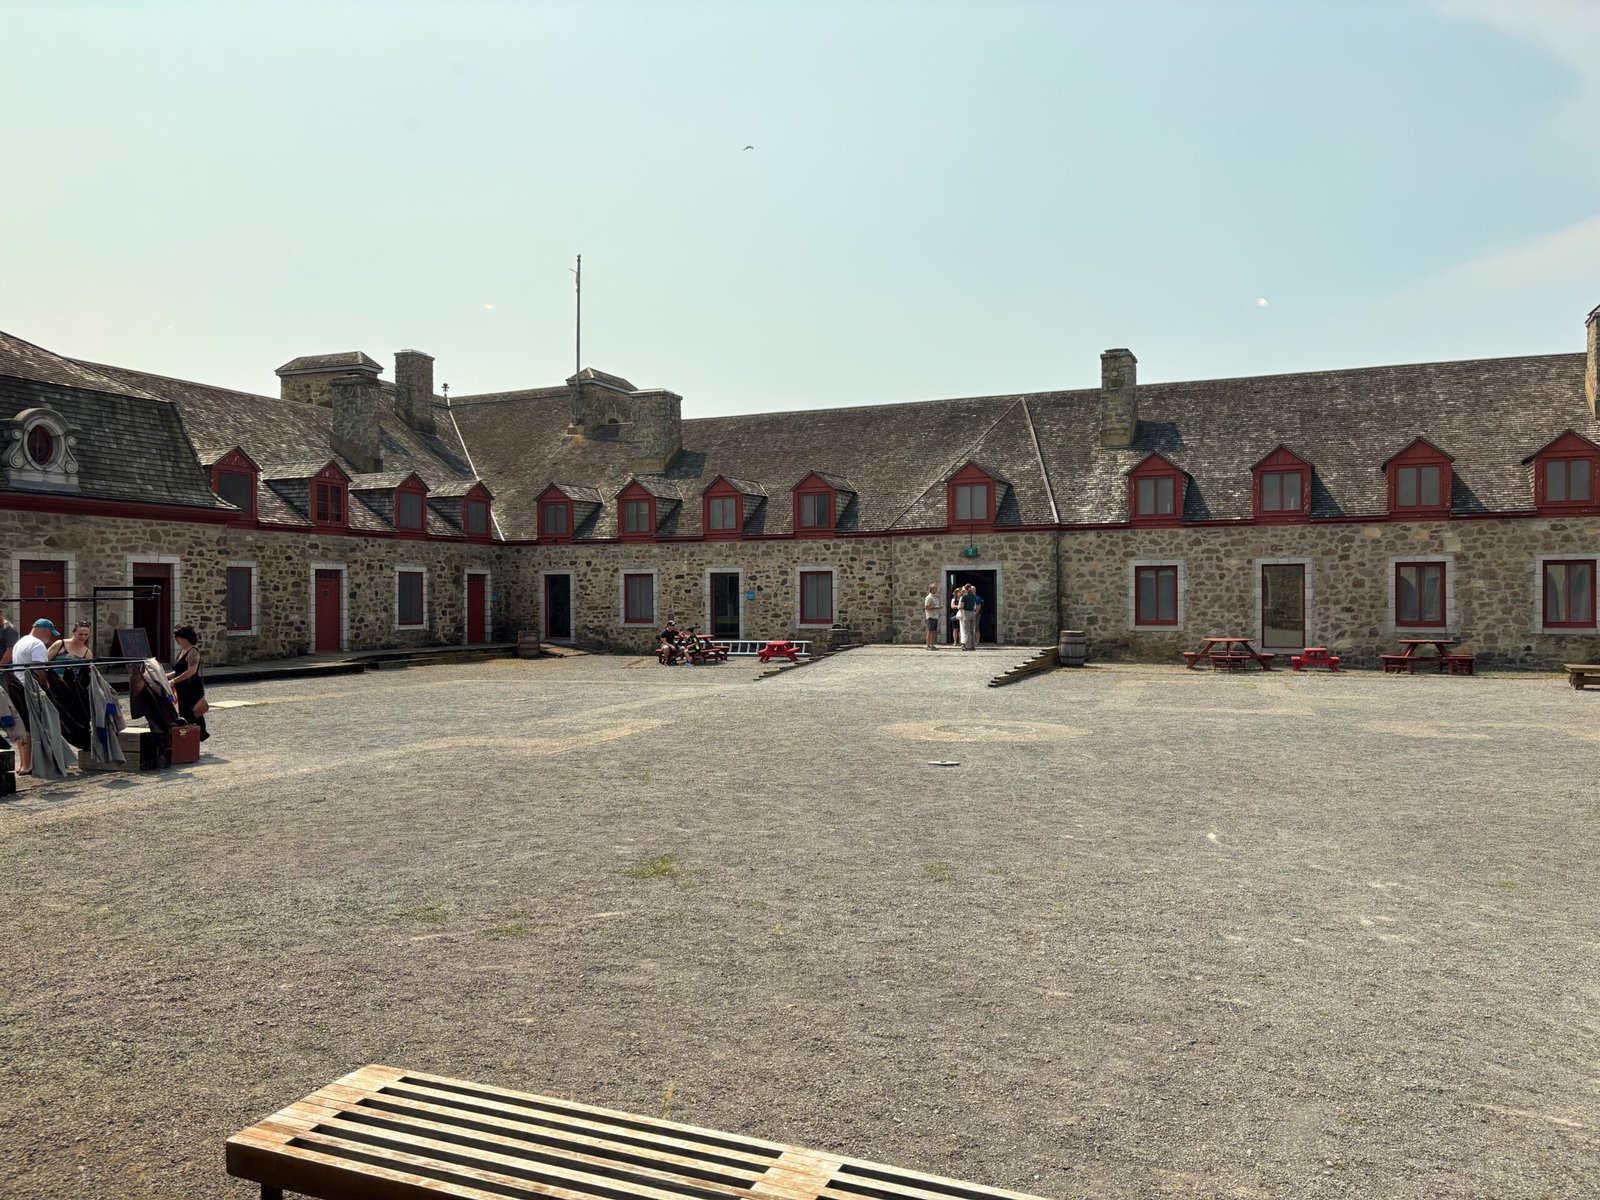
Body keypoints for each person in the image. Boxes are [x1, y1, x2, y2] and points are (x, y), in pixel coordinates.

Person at [7, 618, 56, 773]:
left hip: (16, 684)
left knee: (21, 725)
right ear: (44, 630)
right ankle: (28, 765)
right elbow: (39, 668)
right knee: (30, 725)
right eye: (49, 633)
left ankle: (23, 764)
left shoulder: (21, 641)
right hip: (28, 687)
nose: (50, 637)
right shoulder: (37, 644)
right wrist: (45, 688)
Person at [166, 624, 209, 742]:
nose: (175, 639)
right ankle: (190, 739)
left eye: (175, 636)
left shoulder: (193, 651)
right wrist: (165, 677)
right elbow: (179, 670)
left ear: (181, 637)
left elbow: (191, 671)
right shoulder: (182, 651)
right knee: (184, 713)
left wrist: (174, 681)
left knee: (193, 713)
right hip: (183, 688)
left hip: (192, 687)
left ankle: (197, 737)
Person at [957, 585, 980, 651]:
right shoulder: (973, 596)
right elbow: (975, 605)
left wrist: (958, 607)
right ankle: (973, 646)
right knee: (972, 630)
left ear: (966, 589)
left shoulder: (964, 596)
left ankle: (967, 646)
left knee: (967, 631)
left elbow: (961, 606)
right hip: (973, 612)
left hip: (966, 613)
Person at [923, 585, 942, 650]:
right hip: (930, 616)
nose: (936, 590)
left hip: (935, 616)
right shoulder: (929, 597)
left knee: (934, 631)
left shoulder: (936, 598)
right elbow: (926, 607)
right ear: (932, 589)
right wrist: (936, 607)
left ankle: (932, 645)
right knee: (930, 631)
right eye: (935, 589)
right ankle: (928, 646)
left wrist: (939, 607)